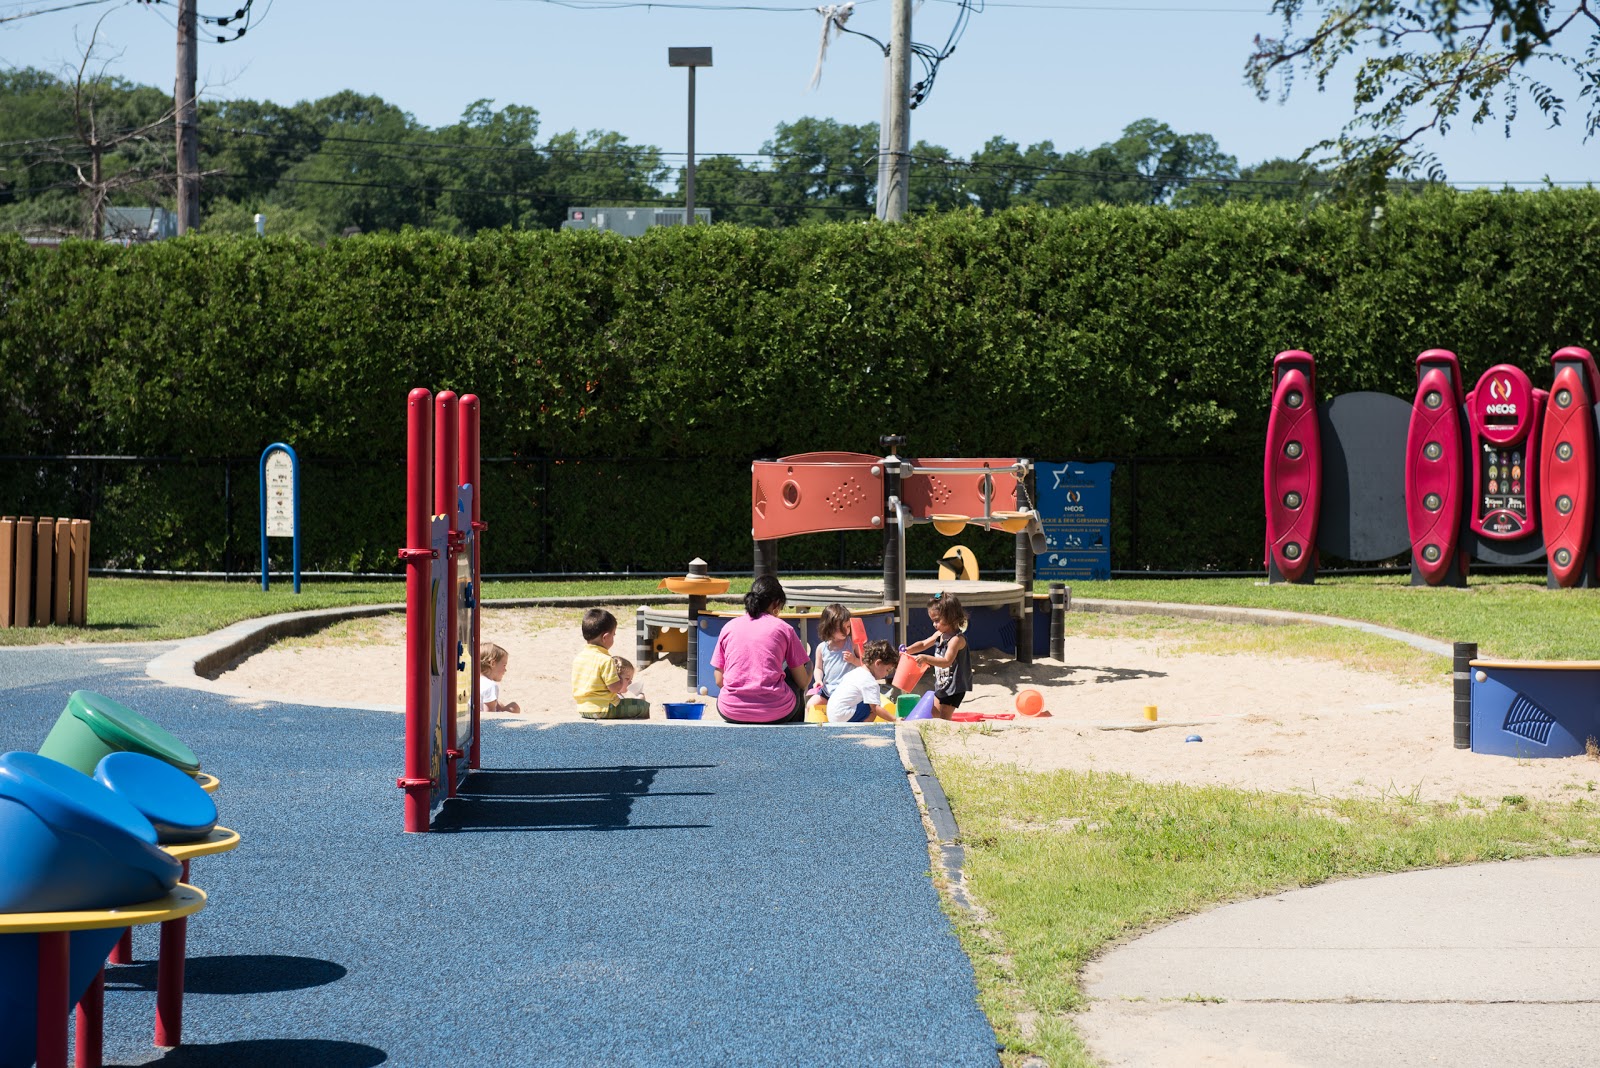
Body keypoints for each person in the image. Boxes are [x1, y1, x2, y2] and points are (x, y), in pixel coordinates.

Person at [710, 574, 810, 724]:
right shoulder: (784, 628)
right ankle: (794, 735)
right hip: (777, 711)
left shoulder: (729, 627)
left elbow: (719, 680)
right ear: (776, 604)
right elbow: (802, 682)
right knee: (799, 667)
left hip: (731, 710)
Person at [904, 592, 971, 720]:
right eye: (933, 620)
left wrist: (926, 658)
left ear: (951, 617)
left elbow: (947, 661)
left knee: (944, 717)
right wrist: (909, 650)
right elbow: (923, 643)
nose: (934, 625)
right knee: (934, 712)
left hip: (954, 687)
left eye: (937, 620)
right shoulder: (940, 634)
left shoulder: (956, 640)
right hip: (942, 683)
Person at [571, 608, 643, 719]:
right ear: (605, 637)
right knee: (641, 706)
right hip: (604, 709)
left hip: (583, 709)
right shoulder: (605, 659)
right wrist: (621, 680)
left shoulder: (579, 658)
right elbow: (614, 688)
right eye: (613, 635)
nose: (613, 638)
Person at [825, 639, 899, 723]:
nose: (887, 674)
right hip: (843, 716)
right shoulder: (870, 681)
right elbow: (875, 708)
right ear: (878, 663)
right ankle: (862, 729)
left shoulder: (855, 672)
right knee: (872, 706)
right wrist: (895, 719)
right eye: (887, 670)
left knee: (870, 701)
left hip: (832, 716)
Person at [807, 603, 860, 717]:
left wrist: (854, 660)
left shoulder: (853, 644)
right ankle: (809, 731)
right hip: (828, 691)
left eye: (848, 627)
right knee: (810, 705)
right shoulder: (822, 648)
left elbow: (865, 665)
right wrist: (818, 680)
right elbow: (818, 668)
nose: (846, 631)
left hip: (847, 693)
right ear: (829, 628)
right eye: (841, 628)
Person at [478, 642, 521, 715]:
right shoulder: (490, 686)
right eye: (504, 665)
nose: (505, 670)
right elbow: (489, 717)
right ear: (492, 664)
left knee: (499, 705)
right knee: (514, 707)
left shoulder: (474, 681)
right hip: (481, 723)